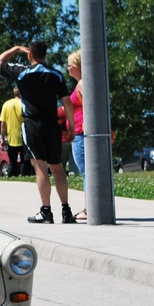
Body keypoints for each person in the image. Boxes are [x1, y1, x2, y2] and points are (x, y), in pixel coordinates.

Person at [0, 40, 77, 224]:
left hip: (32, 125)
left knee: (40, 168)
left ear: (29, 54)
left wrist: (15, 49)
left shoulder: (22, 73)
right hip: (52, 125)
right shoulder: (56, 75)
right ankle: (66, 210)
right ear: (45, 55)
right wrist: (71, 126)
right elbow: (66, 102)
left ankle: (46, 211)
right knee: (58, 168)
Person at [66, 50, 87, 219]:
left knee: (86, 170)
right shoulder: (81, 83)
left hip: (81, 132)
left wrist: (87, 121)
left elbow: (88, 104)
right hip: (79, 130)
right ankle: (90, 207)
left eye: (70, 65)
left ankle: (89, 208)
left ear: (78, 67)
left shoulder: (82, 84)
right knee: (87, 170)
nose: (67, 67)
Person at [0, 87, 29, 177]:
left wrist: (3, 139)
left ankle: (12, 176)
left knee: (12, 161)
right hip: (25, 137)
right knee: (25, 161)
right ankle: (24, 176)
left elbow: (3, 124)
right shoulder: (24, 104)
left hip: (12, 137)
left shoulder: (6, 104)